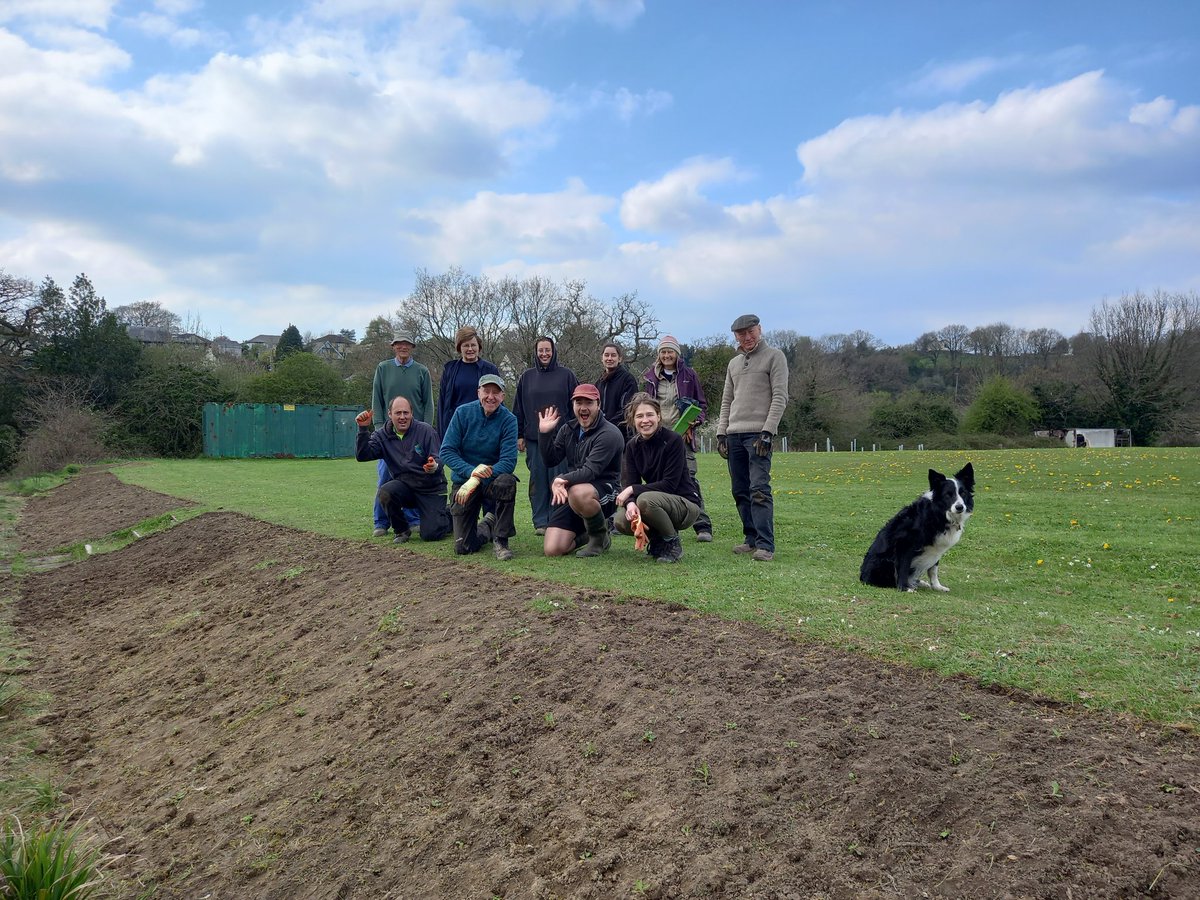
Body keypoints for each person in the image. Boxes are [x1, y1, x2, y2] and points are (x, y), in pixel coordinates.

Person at [716, 314, 789, 562]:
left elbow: (780, 396)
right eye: (741, 334)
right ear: (735, 336)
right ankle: (751, 539)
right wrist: (721, 432)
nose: (747, 337)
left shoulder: (775, 357)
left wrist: (768, 431)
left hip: (758, 435)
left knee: (759, 489)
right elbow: (727, 400)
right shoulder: (733, 364)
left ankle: (766, 544)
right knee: (740, 490)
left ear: (760, 329)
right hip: (734, 434)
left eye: (751, 331)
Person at [537, 383, 624, 558]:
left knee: (578, 491)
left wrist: (561, 480)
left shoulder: (609, 434)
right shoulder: (568, 429)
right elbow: (550, 460)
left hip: (604, 493)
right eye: (578, 403)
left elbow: (590, 471)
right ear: (573, 405)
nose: (583, 408)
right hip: (575, 496)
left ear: (598, 405)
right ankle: (592, 533)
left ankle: (599, 539)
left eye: (589, 402)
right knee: (553, 550)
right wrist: (544, 434)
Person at [614, 393, 703, 564]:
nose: (645, 420)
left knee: (646, 500)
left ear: (658, 416)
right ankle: (657, 541)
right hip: (658, 501)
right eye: (639, 416)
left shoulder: (673, 440)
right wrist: (630, 502)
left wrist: (632, 490)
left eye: (650, 415)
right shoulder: (632, 446)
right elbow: (629, 481)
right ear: (633, 420)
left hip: (685, 504)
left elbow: (669, 485)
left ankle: (672, 543)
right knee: (621, 520)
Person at [440, 374, 520, 561]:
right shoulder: (462, 413)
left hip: (493, 481)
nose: (490, 397)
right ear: (478, 393)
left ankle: (501, 541)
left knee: (507, 481)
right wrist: (471, 472)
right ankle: (488, 525)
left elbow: (508, 461)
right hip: (465, 483)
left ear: (502, 396)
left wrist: (478, 476)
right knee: (463, 547)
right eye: (486, 391)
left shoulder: (509, 420)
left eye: (496, 392)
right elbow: (446, 451)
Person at [642, 334, 713, 542]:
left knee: (689, 479)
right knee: (659, 480)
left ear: (677, 354)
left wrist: (695, 421)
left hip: (682, 436)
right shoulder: (650, 378)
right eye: (663, 352)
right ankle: (662, 527)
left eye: (670, 352)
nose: (666, 355)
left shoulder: (689, 375)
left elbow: (701, 405)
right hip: (658, 437)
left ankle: (702, 526)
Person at [354, 396, 450, 543]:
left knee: (431, 534)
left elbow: (438, 457)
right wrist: (363, 429)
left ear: (412, 413)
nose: (402, 417)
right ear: (389, 414)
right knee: (386, 491)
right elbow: (363, 456)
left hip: (430, 489)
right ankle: (401, 530)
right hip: (406, 488)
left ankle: (448, 514)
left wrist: (434, 466)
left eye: (406, 413)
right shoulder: (382, 435)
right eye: (398, 413)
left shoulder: (426, 430)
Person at [512, 336, 578, 536]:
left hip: (562, 438)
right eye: (540, 350)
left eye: (547, 350)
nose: (544, 354)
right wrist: (519, 434)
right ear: (536, 352)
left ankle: (558, 520)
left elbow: (575, 406)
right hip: (534, 439)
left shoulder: (567, 375)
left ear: (553, 351)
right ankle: (540, 521)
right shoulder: (526, 377)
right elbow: (518, 408)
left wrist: (575, 432)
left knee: (559, 479)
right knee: (538, 480)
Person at [370, 334, 433, 537]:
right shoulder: (383, 368)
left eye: (406, 344)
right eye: (399, 344)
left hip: (415, 435)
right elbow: (377, 400)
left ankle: (413, 520)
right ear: (394, 347)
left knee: (414, 477)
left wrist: (426, 430)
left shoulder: (422, 371)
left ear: (412, 347)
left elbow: (428, 403)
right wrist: (379, 428)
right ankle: (381, 522)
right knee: (385, 476)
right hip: (389, 434)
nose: (403, 347)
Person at [437, 326, 500, 440]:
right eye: (466, 345)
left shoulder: (490, 369)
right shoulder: (450, 370)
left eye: (473, 345)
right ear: (459, 348)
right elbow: (442, 403)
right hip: (456, 427)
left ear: (479, 347)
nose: (470, 349)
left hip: (483, 428)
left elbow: (498, 400)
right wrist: (442, 435)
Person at [594, 342, 638, 441]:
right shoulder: (599, 382)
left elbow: (628, 409)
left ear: (620, 358)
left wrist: (607, 425)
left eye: (613, 355)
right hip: (600, 433)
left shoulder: (628, 380)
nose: (609, 358)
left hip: (622, 434)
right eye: (606, 355)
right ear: (602, 358)